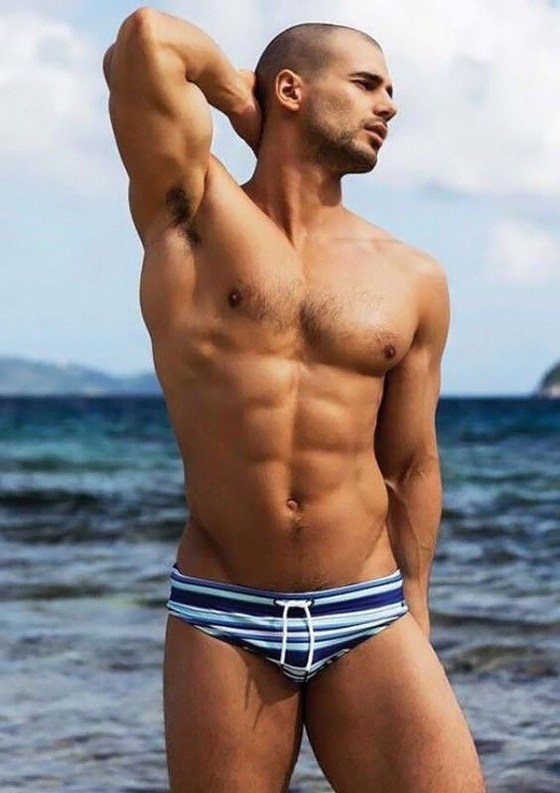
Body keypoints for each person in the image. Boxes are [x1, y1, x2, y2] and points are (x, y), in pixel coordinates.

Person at [104, 8, 486, 792]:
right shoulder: (192, 214)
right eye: (368, 84)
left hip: (369, 610)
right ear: (290, 90)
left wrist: (416, 609)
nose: (390, 106)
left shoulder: (413, 276)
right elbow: (146, 40)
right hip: (223, 615)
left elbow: (411, 462)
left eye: (391, 90)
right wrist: (240, 101)